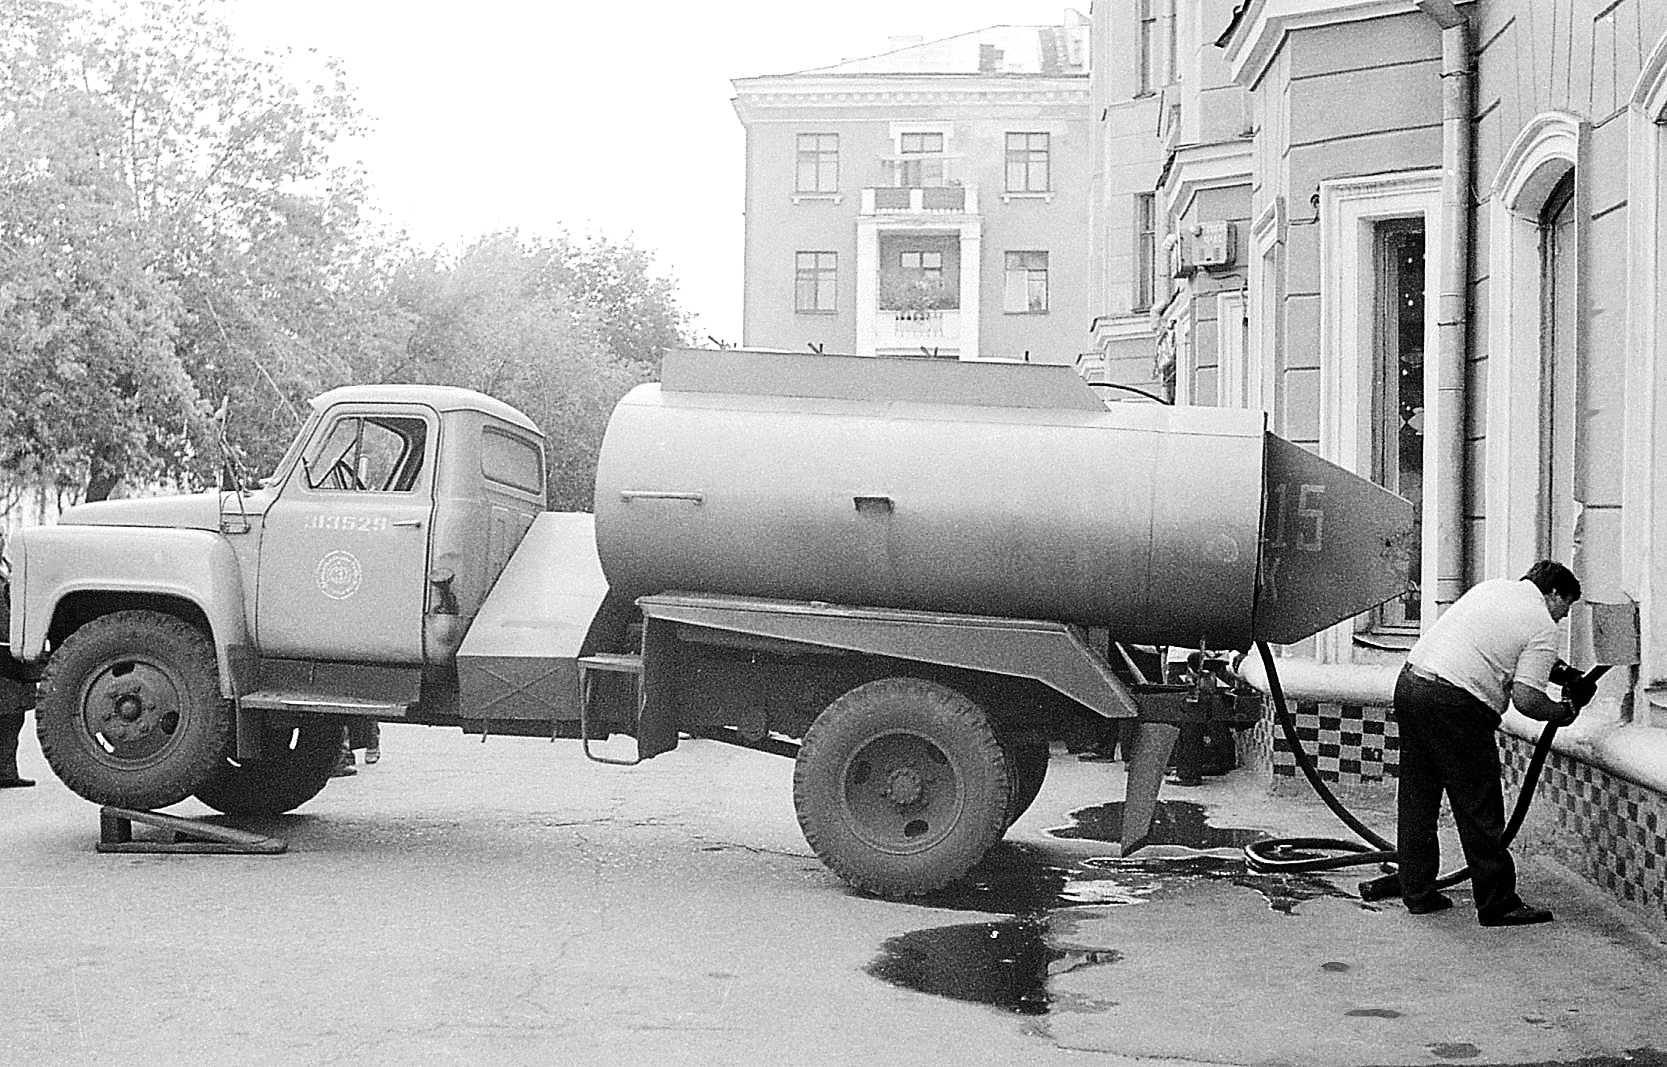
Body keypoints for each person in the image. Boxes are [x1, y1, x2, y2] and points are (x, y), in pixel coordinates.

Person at [1393, 560, 1591, 927]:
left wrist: (1561, 671)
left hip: (1411, 684)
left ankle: (1417, 891)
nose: (1564, 618)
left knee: (1417, 798)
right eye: (1567, 607)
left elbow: (1502, 647)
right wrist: (1562, 711)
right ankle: (1497, 902)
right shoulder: (1543, 625)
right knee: (1479, 805)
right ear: (1554, 594)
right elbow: (1527, 699)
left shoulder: (1493, 589)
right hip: (1456, 705)